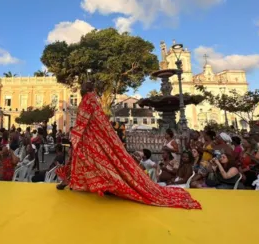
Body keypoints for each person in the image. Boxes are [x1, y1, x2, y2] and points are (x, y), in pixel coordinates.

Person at [55, 81, 201, 209]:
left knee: (87, 160)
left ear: (87, 89)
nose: (83, 86)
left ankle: (81, 183)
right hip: (93, 138)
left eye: (85, 85)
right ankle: (74, 182)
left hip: (89, 138)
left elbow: (83, 120)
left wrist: (74, 134)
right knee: (90, 161)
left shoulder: (88, 100)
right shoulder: (94, 100)